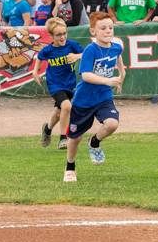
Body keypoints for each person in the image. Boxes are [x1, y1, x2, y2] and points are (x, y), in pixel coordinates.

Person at [62, 12, 125, 182]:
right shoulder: (91, 50)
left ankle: (95, 142)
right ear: (93, 31)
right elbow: (86, 76)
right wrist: (108, 80)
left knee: (112, 124)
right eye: (103, 28)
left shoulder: (116, 46)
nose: (107, 31)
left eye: (110, 28)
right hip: (84, 100)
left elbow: (119, 61)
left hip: (104, 97)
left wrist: (120, 77)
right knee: (75, 137)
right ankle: (70, 167)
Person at [34, 17, 83, 150]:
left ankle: (48, 130)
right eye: (58, 35)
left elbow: (87, 54)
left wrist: (77, 56)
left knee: (59, 112)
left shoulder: (72, 45)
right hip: (55, 84)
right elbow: (39, 57)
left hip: (70, 84)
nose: (62, 37)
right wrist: (35, 72)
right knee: (67, 107)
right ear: (51, 36)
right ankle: (63, 138)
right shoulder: (48, 50)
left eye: (64, 33)